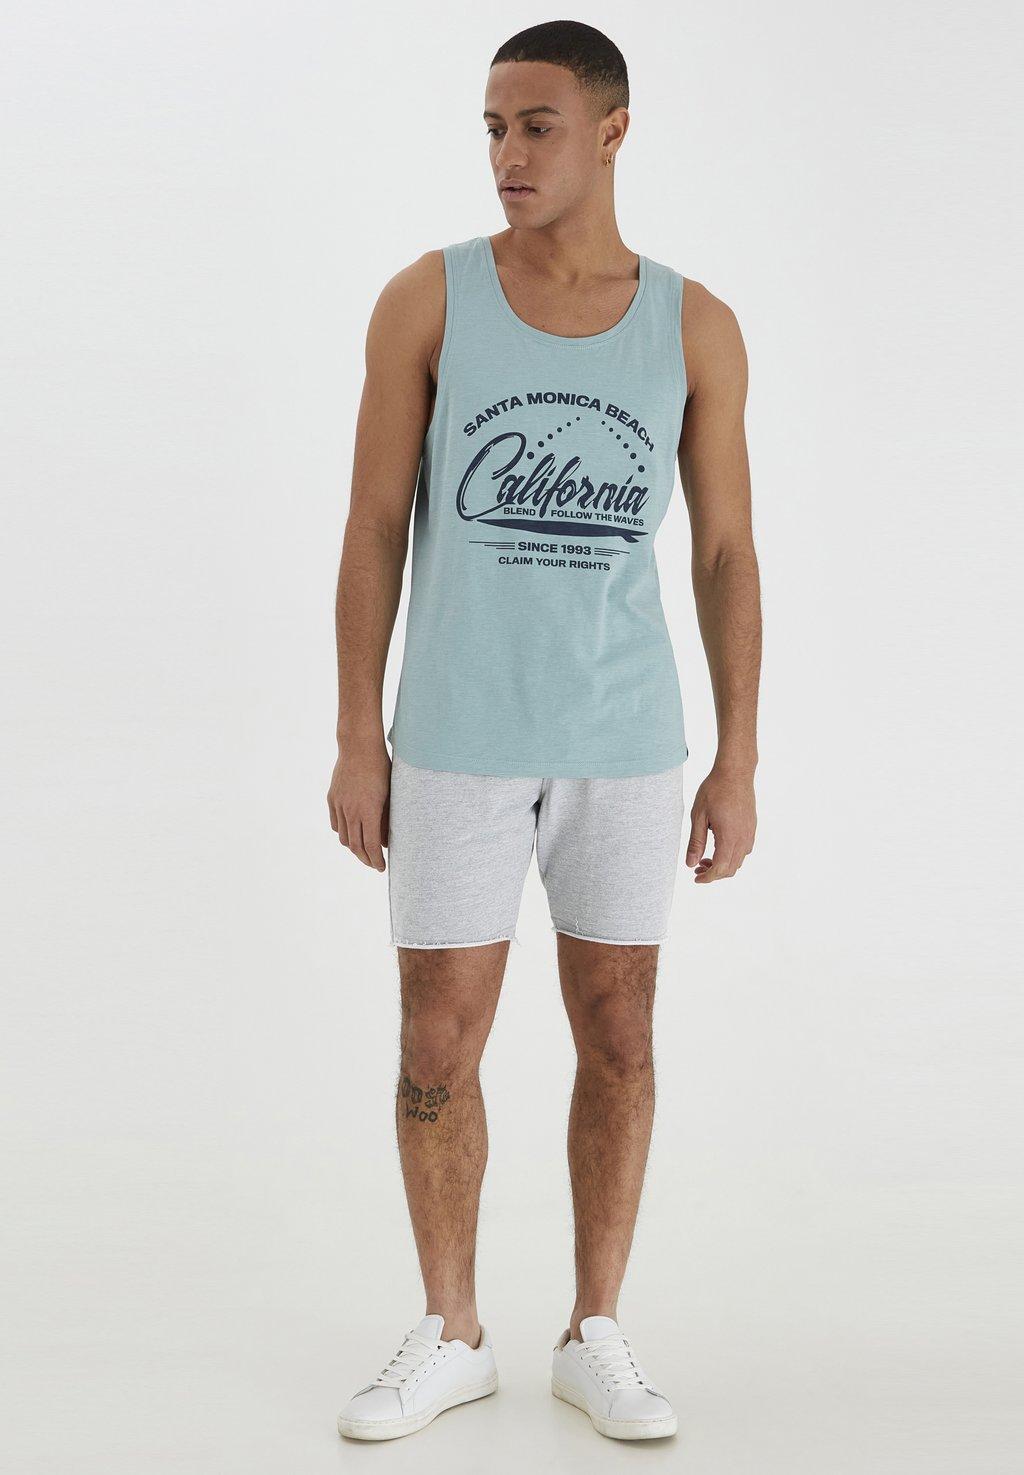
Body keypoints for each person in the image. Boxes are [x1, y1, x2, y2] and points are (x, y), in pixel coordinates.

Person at [328, 20, 760, 1443]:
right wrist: (358, 737)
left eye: (537, 126)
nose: (508, 154)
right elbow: (373, 526)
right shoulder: (430, 299)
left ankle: (595, 1329)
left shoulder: (692, 323)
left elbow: (725, 552)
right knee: (435, 1039)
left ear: (613, 131)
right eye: (494, 128)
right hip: (455, 734)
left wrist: (739, 754)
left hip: (624, 740)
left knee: (620, 1032)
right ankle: (452, 1331)